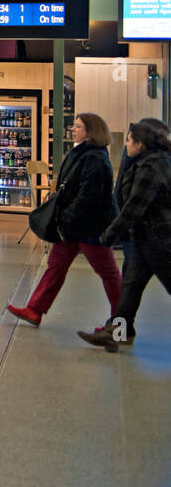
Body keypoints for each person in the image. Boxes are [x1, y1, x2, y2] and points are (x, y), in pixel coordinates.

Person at [6, 113, 120, 328]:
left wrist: (67, 217)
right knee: (56, 265)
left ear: (90, 132)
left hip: (90, 227)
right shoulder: (82, 153)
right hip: (73, 227)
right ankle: (34, 309)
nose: (73, 129)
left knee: (109, 273)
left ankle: (121, 322)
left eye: (78, 126)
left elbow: (89, 196)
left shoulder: (94, 158)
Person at [78, 119, 171, 352]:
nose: (126, 144)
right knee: (129, 289)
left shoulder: (150, 168)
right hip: (145, 239)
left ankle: (118, 332)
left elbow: (133, 208)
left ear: (141, 144)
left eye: (129, 140)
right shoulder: (154, 162)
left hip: (160, 241)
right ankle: (119, 333)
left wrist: (109, 234)